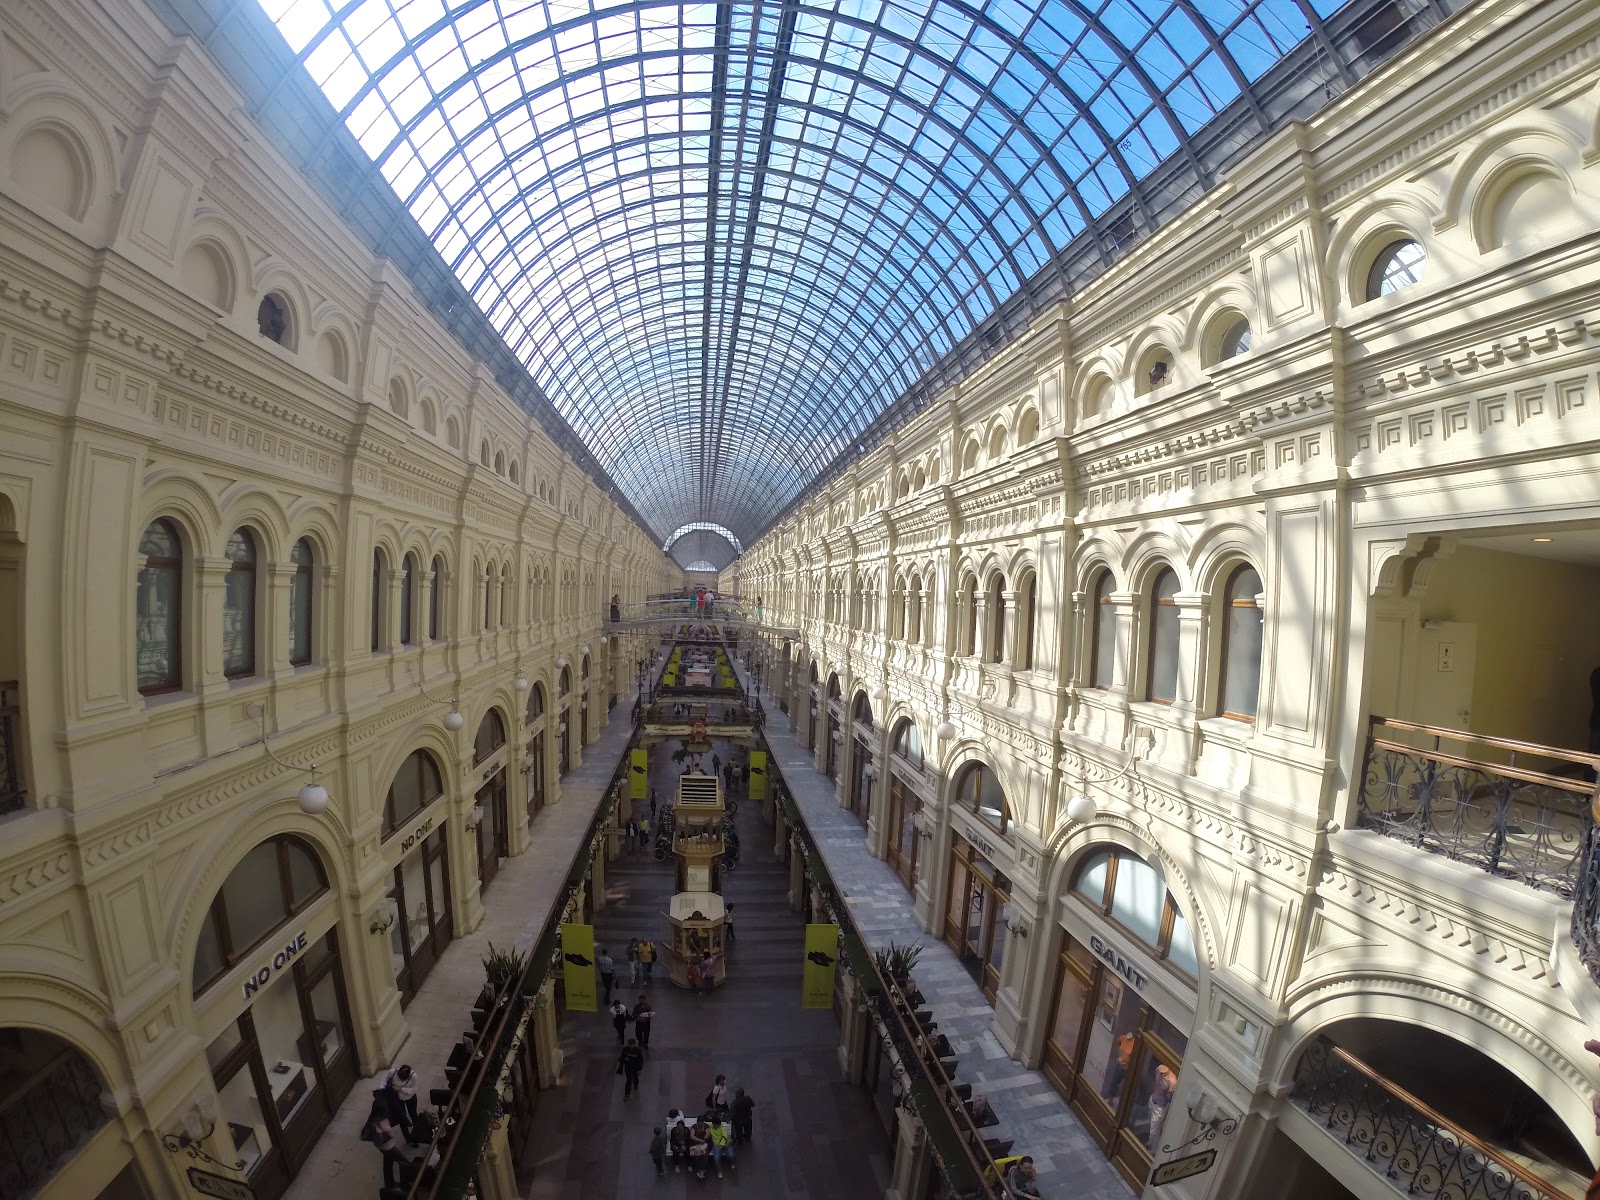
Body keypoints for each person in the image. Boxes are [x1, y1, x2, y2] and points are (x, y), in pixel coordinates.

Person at [363, 1087, 413, 1190]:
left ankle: (389, 1183)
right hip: (387, 1147)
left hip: (385, 1145)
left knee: (388, 1163)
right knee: (404, 1163)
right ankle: (405, 1185)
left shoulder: (376, 1118)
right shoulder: (378, 1123)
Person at [382, 1063, 420, 1144]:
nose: (402, 1080)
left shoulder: (414, 1076)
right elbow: (384, 1079)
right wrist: (381, 1088)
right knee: (402, 1118)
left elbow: (415, 1089)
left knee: (413, 1115)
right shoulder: (392, 1072)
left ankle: (417, 1134)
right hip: (398, 1099)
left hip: (410, 1097)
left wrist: (401, 1089)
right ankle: (408, 1139)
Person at [1147, 1063, 1178, 1151]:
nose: (1160, 1073)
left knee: (1154, 1131)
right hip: (1153, 1099)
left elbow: (1170, 1100)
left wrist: (1164, 1114)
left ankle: (1155, 1150)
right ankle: (1150, 1142)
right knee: (1151, 1124)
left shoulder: (1172, 1081)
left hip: (1160, 1107)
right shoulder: (1159, 1068)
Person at [1105, 1030, 1135, 1100]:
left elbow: (1135, 1057)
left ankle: (1123, 1101)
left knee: (1127, 1087)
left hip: (1127, 1069)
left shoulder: (1134, 1044)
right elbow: (1118, 1043)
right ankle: (1110, 1099)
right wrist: (1120, 1056)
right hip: (1119, 1065)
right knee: (1113, 1082)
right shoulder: (1123, 1038)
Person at [708, 1112, 734, 1177]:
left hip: (725, 1144)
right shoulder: (710, 1126)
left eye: (717, 1125)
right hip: (716, 1145)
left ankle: (732, 1162)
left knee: (731, 1155)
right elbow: (704, 1123)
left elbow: (724, 1136)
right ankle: (719, 1171)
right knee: (716, 1159)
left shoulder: (722, 1128)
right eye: (715, 1125)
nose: (716, 1126)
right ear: (713, 1124)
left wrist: (721, 1145)